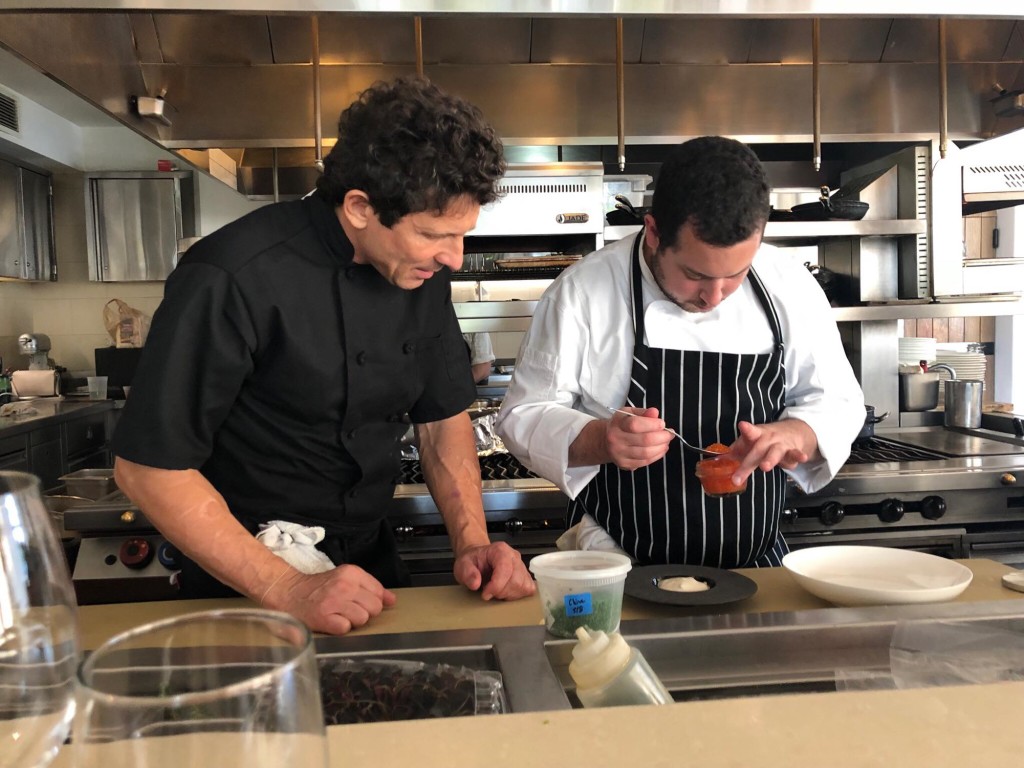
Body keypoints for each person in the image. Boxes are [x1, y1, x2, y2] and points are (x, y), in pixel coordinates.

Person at [112, 76, 535, 636]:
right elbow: (148, 469)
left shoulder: (418, 272)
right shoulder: (232, 275)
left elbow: (442, 419)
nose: (454, 259)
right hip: (248, 578)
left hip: (370, 565)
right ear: (360, 207)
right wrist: (287, 586)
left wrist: (473, 542)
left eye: (462, 235)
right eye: (435, 234)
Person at [495, 136, 865, 568]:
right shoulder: (583, 291)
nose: (715, 297)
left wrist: (794, 434)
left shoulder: (789, 285)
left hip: (754, 565)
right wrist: (602, 440)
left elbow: (838, 403)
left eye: (737, 275)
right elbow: (523, 415)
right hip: (617, 565)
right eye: (695, 275)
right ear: (653, 233)